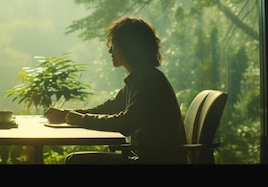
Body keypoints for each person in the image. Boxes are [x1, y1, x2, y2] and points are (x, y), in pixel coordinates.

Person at [44, 16, 187, 164]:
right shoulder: (141, 78)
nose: (110, 50)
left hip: (154, 162)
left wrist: (82, 119)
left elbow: (125, 123)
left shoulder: (149, 81)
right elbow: (109, 108)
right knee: (75, 160)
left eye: (114, 44)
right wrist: (67, 115)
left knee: (77, 162)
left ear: (129, 47)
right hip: (144, 158)